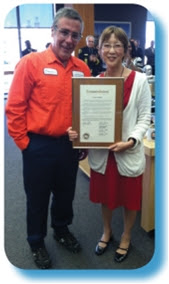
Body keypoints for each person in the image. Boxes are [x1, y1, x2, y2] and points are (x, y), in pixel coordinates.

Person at [6, 7, 91, 269]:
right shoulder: (31, 63)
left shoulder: (83, 69)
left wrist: (84, 141)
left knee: (66, 194)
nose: (68, 39)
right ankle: (35, 241)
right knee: (38, 197)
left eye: (74, 35)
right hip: (38, 146)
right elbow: (15, 107)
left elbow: (85, 109)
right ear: (52, 32)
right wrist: (25, 145)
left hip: (69, 145)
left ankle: (61, 229)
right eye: (64, 32)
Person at [68, 26, 151, 263]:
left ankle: (126, 236)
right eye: (107, 45)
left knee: (129, 199)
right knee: (105, 197)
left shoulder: (140, 81)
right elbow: (86, 117)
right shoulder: (94, 82)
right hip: (103, 154)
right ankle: (107, 231)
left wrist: (131, 140)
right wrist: (78, 131)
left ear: (126, 50)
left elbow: (144, 117)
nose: (111, 50)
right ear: (100, 49)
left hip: (127, 152)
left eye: (117, 45)